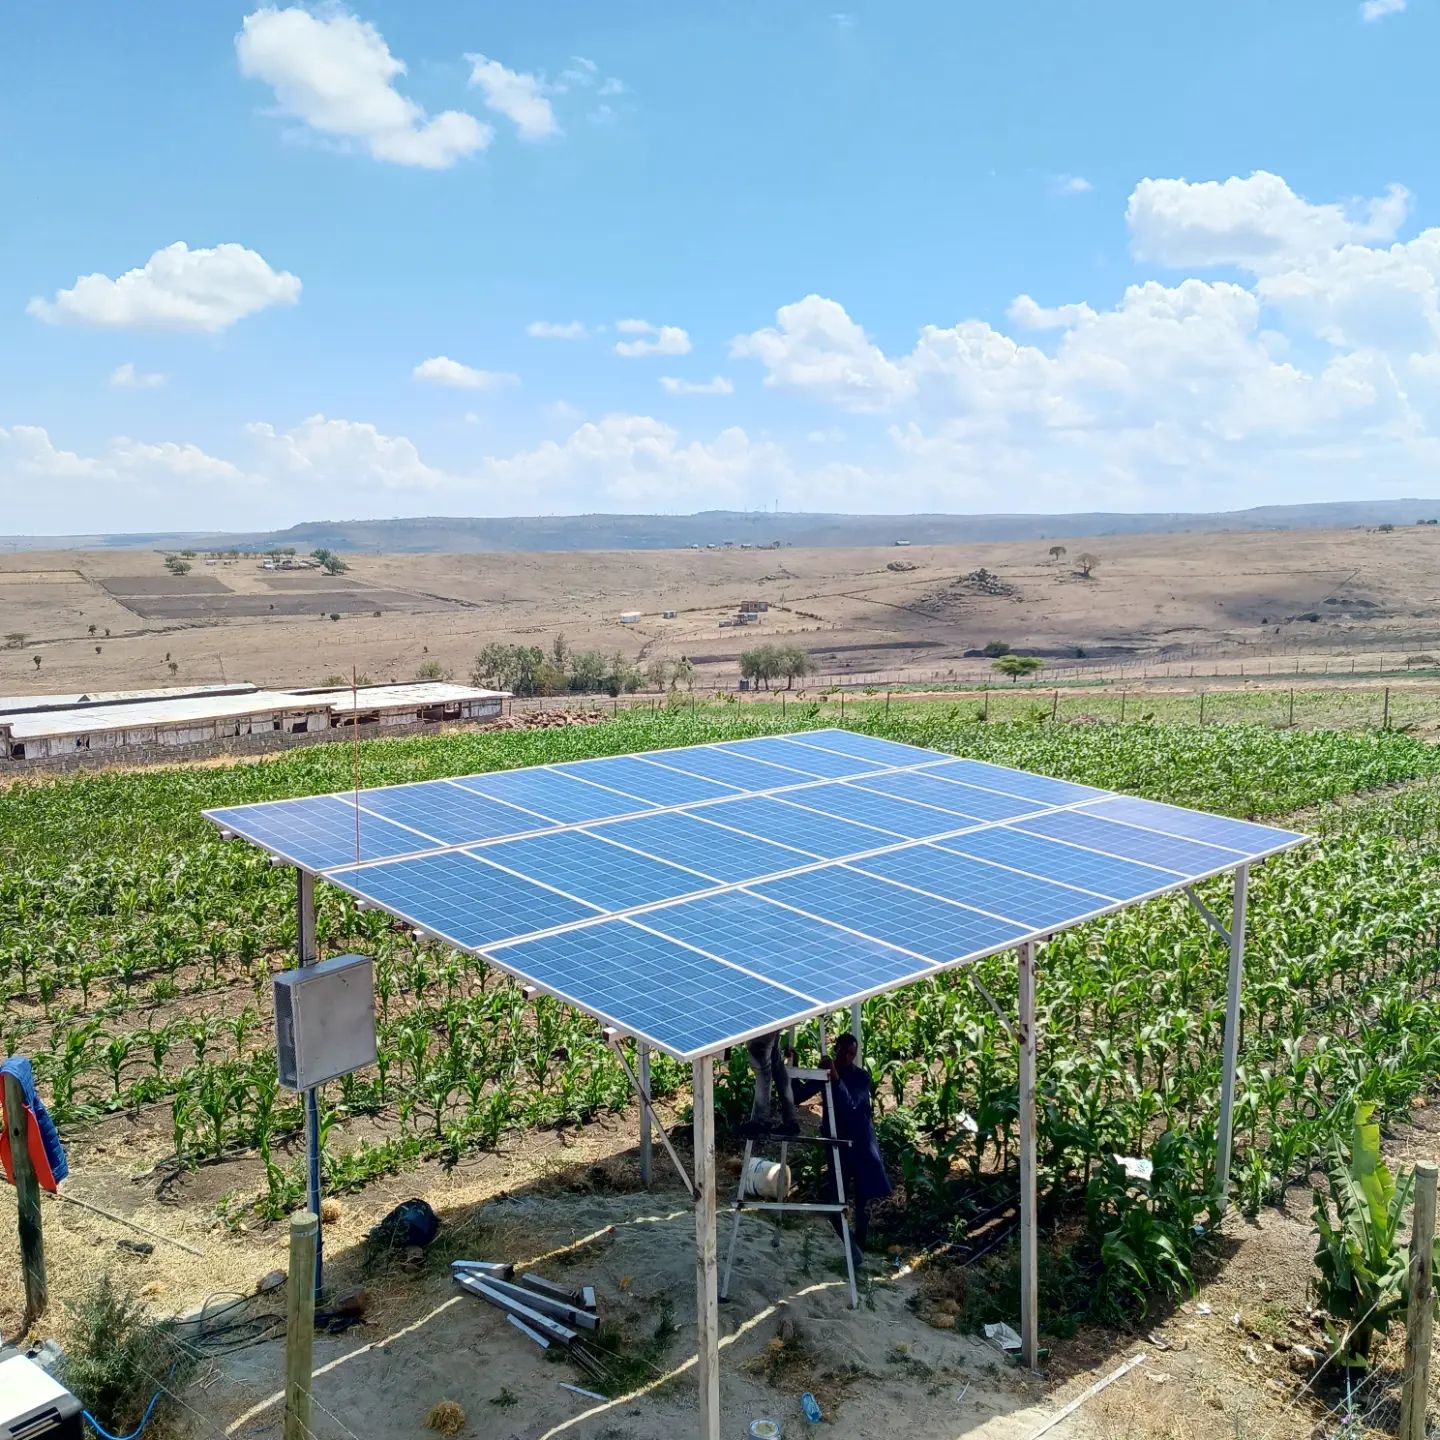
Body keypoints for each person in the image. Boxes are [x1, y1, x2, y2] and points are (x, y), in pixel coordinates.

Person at [791, 1033, 891, 1266]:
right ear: (836, 1049)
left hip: (860, 1145)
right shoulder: (827, 1072)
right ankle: (851, 1246)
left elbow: (854, 1107)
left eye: (851, 1054)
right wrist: (794, 1065)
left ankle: (859, 1249)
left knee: (862, 1201)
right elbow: (797, 1096)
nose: (847, 1058)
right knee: (835, 1200)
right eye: (844, 1052)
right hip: (836, 1146)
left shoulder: (861, 1077)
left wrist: (836, 1080)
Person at [740, 1031, 801, 1137]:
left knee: (762, 1067)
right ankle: (791, 1121)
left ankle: (760, 1121)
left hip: (759, 1023)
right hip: (770, 1022)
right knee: (776, 1065)